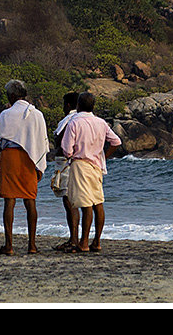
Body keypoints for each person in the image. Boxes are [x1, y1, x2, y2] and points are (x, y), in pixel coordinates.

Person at [0, 79, 50, 255]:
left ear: (13, 96)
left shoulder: (6, 114)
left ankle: (9, 246)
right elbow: (42, 142)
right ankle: (32, 246)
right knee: (30, 200)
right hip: (30, 158)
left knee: (9, 200)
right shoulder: (37, 114)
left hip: (10, 158)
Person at [59, 91, 121, 253]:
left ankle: (83, 243)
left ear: (78, 106)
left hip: (81, 164)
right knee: (98, 203)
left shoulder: (74, 123)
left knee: (85, 205)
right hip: (97, 165)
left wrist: (72, 154)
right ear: (93, 106)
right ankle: (96, 241)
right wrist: (104, 156)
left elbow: (66, 150)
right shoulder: (101, 123)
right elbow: (116, 141)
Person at [51, 92, 81, 251]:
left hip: (66, 162)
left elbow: (61, 141)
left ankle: (74, 239)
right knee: (76, 201)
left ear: (68, 105)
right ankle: (76, 239)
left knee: (69, 201)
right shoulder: (82, 119)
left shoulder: (69, 120)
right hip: (77, 162)